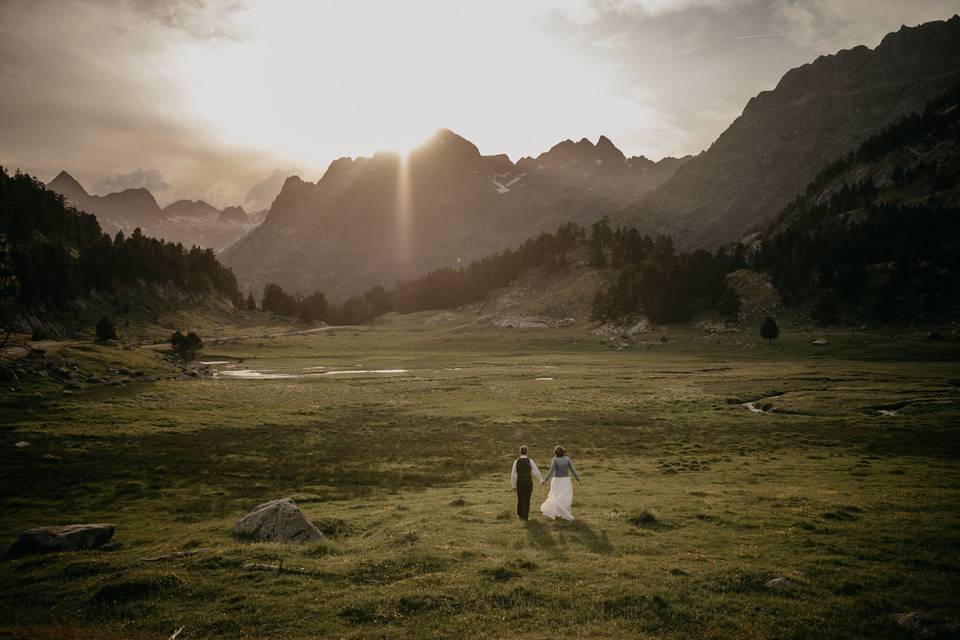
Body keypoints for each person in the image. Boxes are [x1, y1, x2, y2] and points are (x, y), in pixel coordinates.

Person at [540, 445, 581, 521]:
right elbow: (573, 470)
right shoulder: (567, 459)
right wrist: (578, 480)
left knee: (555, 497)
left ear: (556, 453)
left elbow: (551, 471)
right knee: (565, 498)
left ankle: (557, 513)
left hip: (556, 481)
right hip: (566, 481)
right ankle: (562, 513)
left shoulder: (555, 459)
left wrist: (545, 480)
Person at [510, 446, 542, 520]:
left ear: (520, 452)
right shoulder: (530, 461)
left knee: (520, 498)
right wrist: (540, 480)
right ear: (527, 452)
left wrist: (513, 485)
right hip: (528, 481)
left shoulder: (516, 461)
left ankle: (519, 515)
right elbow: (536, 471)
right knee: (527, 499)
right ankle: (525, 517)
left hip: (520, 482)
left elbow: (513, 474)